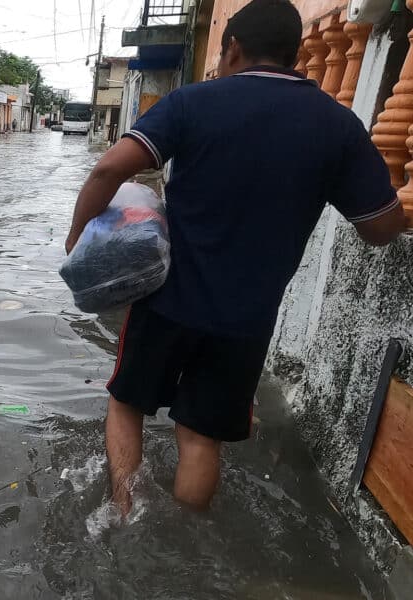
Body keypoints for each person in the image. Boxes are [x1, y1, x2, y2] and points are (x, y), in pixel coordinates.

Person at [64, 0, 404, 515]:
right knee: (200, 439)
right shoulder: (338, 126)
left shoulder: (194, 102)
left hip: (166, 300)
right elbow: (379, 229)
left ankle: (124, 513)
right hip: (246, 320)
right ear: (292, 54)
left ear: (234, 48)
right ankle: (184, 542)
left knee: (127, 404)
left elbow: (108, 169)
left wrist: (77, 241)